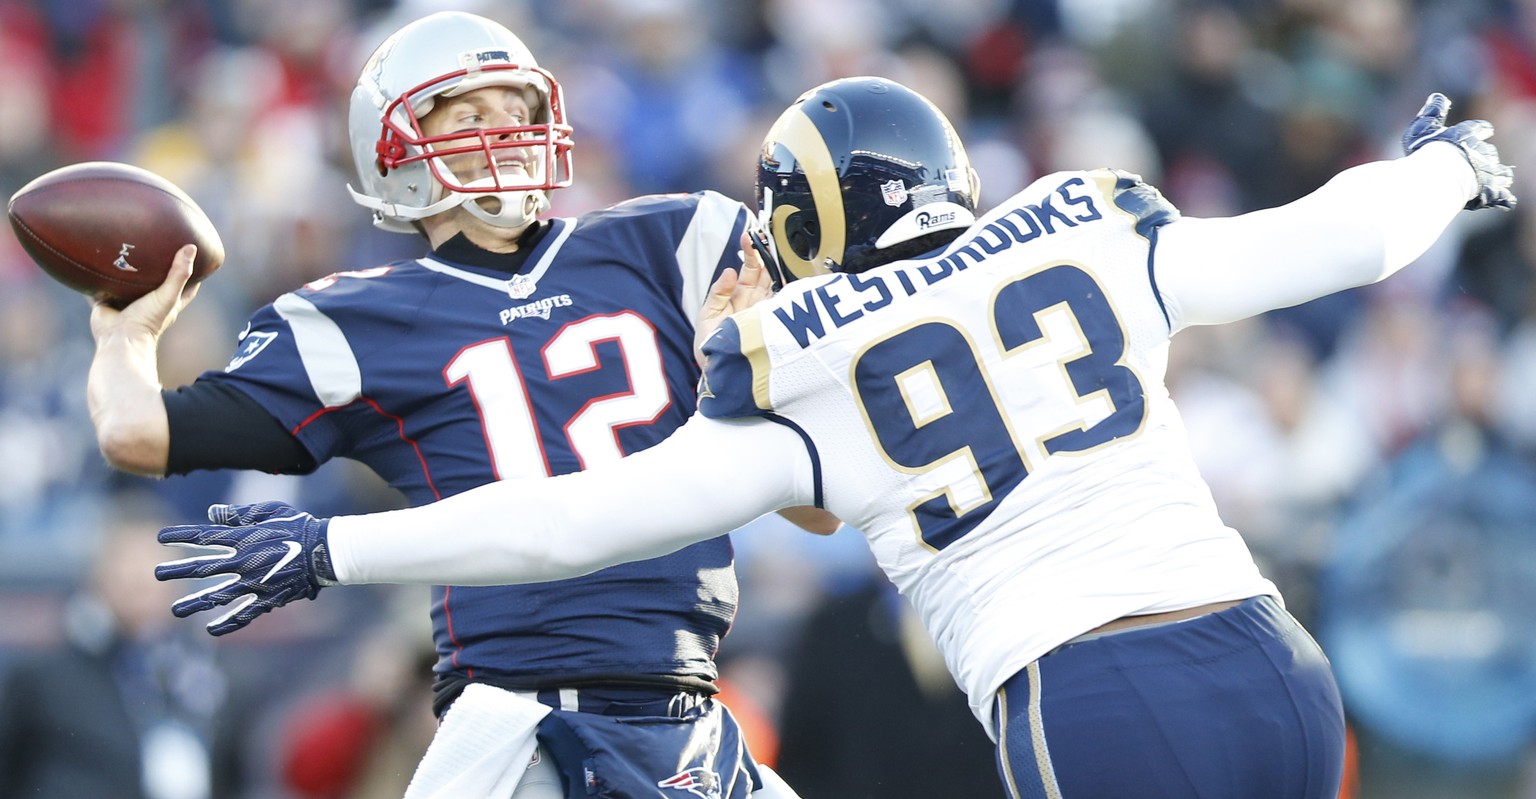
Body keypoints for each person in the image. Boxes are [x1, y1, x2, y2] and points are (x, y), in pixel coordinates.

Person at [153, 77, 1517, 798]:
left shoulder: (803, 358)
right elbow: (1335, 238)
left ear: (803, 218)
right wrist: (1440, 171)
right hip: (1272, 656)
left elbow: (575, 515)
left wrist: (337, 542)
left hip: (1098, 695)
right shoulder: (1088, 225)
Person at [89, 10, 813, 798]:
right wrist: (122, 333)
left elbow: (817, 507)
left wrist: (737, 383)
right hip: (516, 720)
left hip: (689, 709)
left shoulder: (678, 239)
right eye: (470, 115)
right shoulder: (355, 319)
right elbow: (136, 431)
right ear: (394, 151)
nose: (505, 132)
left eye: (518, 111)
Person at [0, 494, 249, 798]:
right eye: (125, 560)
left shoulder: (218, 681)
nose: (139, 577)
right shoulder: (44, 681)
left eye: (154, 560)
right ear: (96, 574)